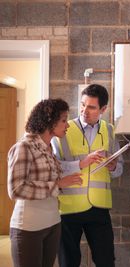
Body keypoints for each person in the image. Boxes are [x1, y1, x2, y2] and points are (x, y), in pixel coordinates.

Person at [52, 84, 124, 267]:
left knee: (106, 260)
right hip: (68, 209)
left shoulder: (109, 130)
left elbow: (120, 169)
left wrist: (113, 167)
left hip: (99, 209)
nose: (85, 111)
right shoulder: (63, 130)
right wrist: (81, 163)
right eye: (82, 105)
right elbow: (54, 168)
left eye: (91, 107)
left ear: (103, 109)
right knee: (68, 262)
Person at [7, 98, 83, 267]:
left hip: (53, 224)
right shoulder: (24, 147)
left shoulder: (48, 148)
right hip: (28, 228)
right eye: (64, 120)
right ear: (50, 120)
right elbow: (16, 189)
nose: (68, 125)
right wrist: (58, 185)